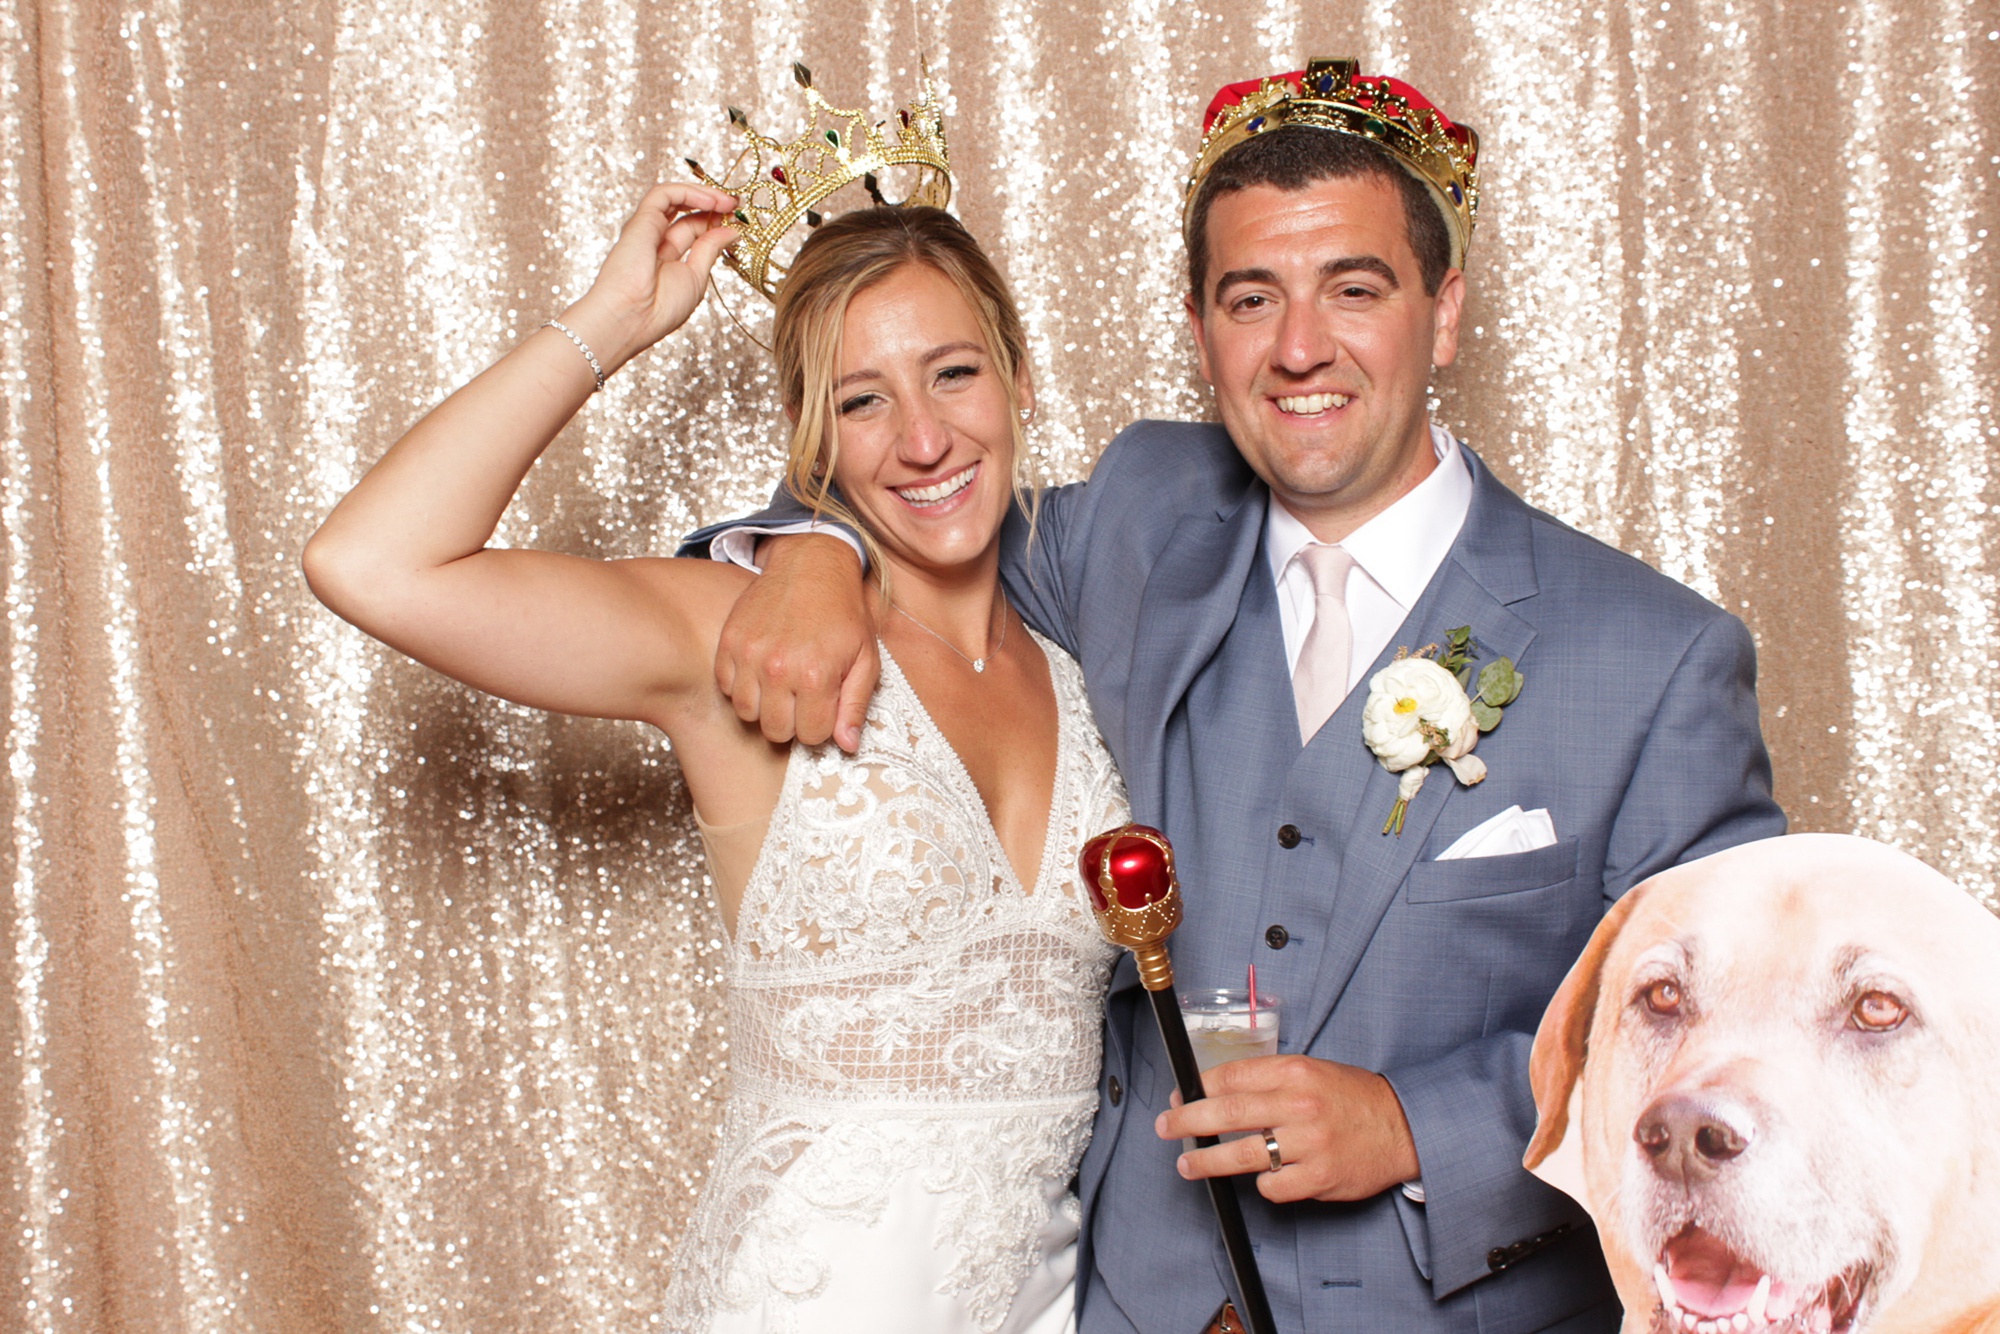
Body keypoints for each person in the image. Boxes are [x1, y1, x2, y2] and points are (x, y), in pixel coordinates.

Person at [684, 59, 1786, 1333]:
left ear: (1443, 309)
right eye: (1250, 297)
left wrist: (1416, 1129)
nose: (1298, 347)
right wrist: (812, 548)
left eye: (1352, 289)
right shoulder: (1138, 528)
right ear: (1201, 328)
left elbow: (1732, 1045)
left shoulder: (1652, 656)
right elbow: (919, 484)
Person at [303, 185, 1132, 1333]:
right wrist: (610, 321)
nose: (924, 437)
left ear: (1015, 375)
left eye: (952, 373)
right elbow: (374, 564)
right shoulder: (742, 640)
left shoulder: (1088, 668)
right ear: (810, 433)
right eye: (861, 400)